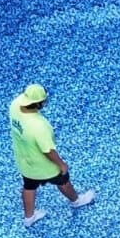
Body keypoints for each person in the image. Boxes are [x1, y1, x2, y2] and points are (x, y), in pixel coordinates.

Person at [9, 83, 98, 225]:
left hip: (25, 161)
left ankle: (29, 217)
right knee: (63, 181)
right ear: (39, 104)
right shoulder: (39, 125)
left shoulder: (14, 105)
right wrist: (61, 164)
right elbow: (48, 151)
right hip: (44, 167)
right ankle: (76, 200)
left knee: (29, 186)